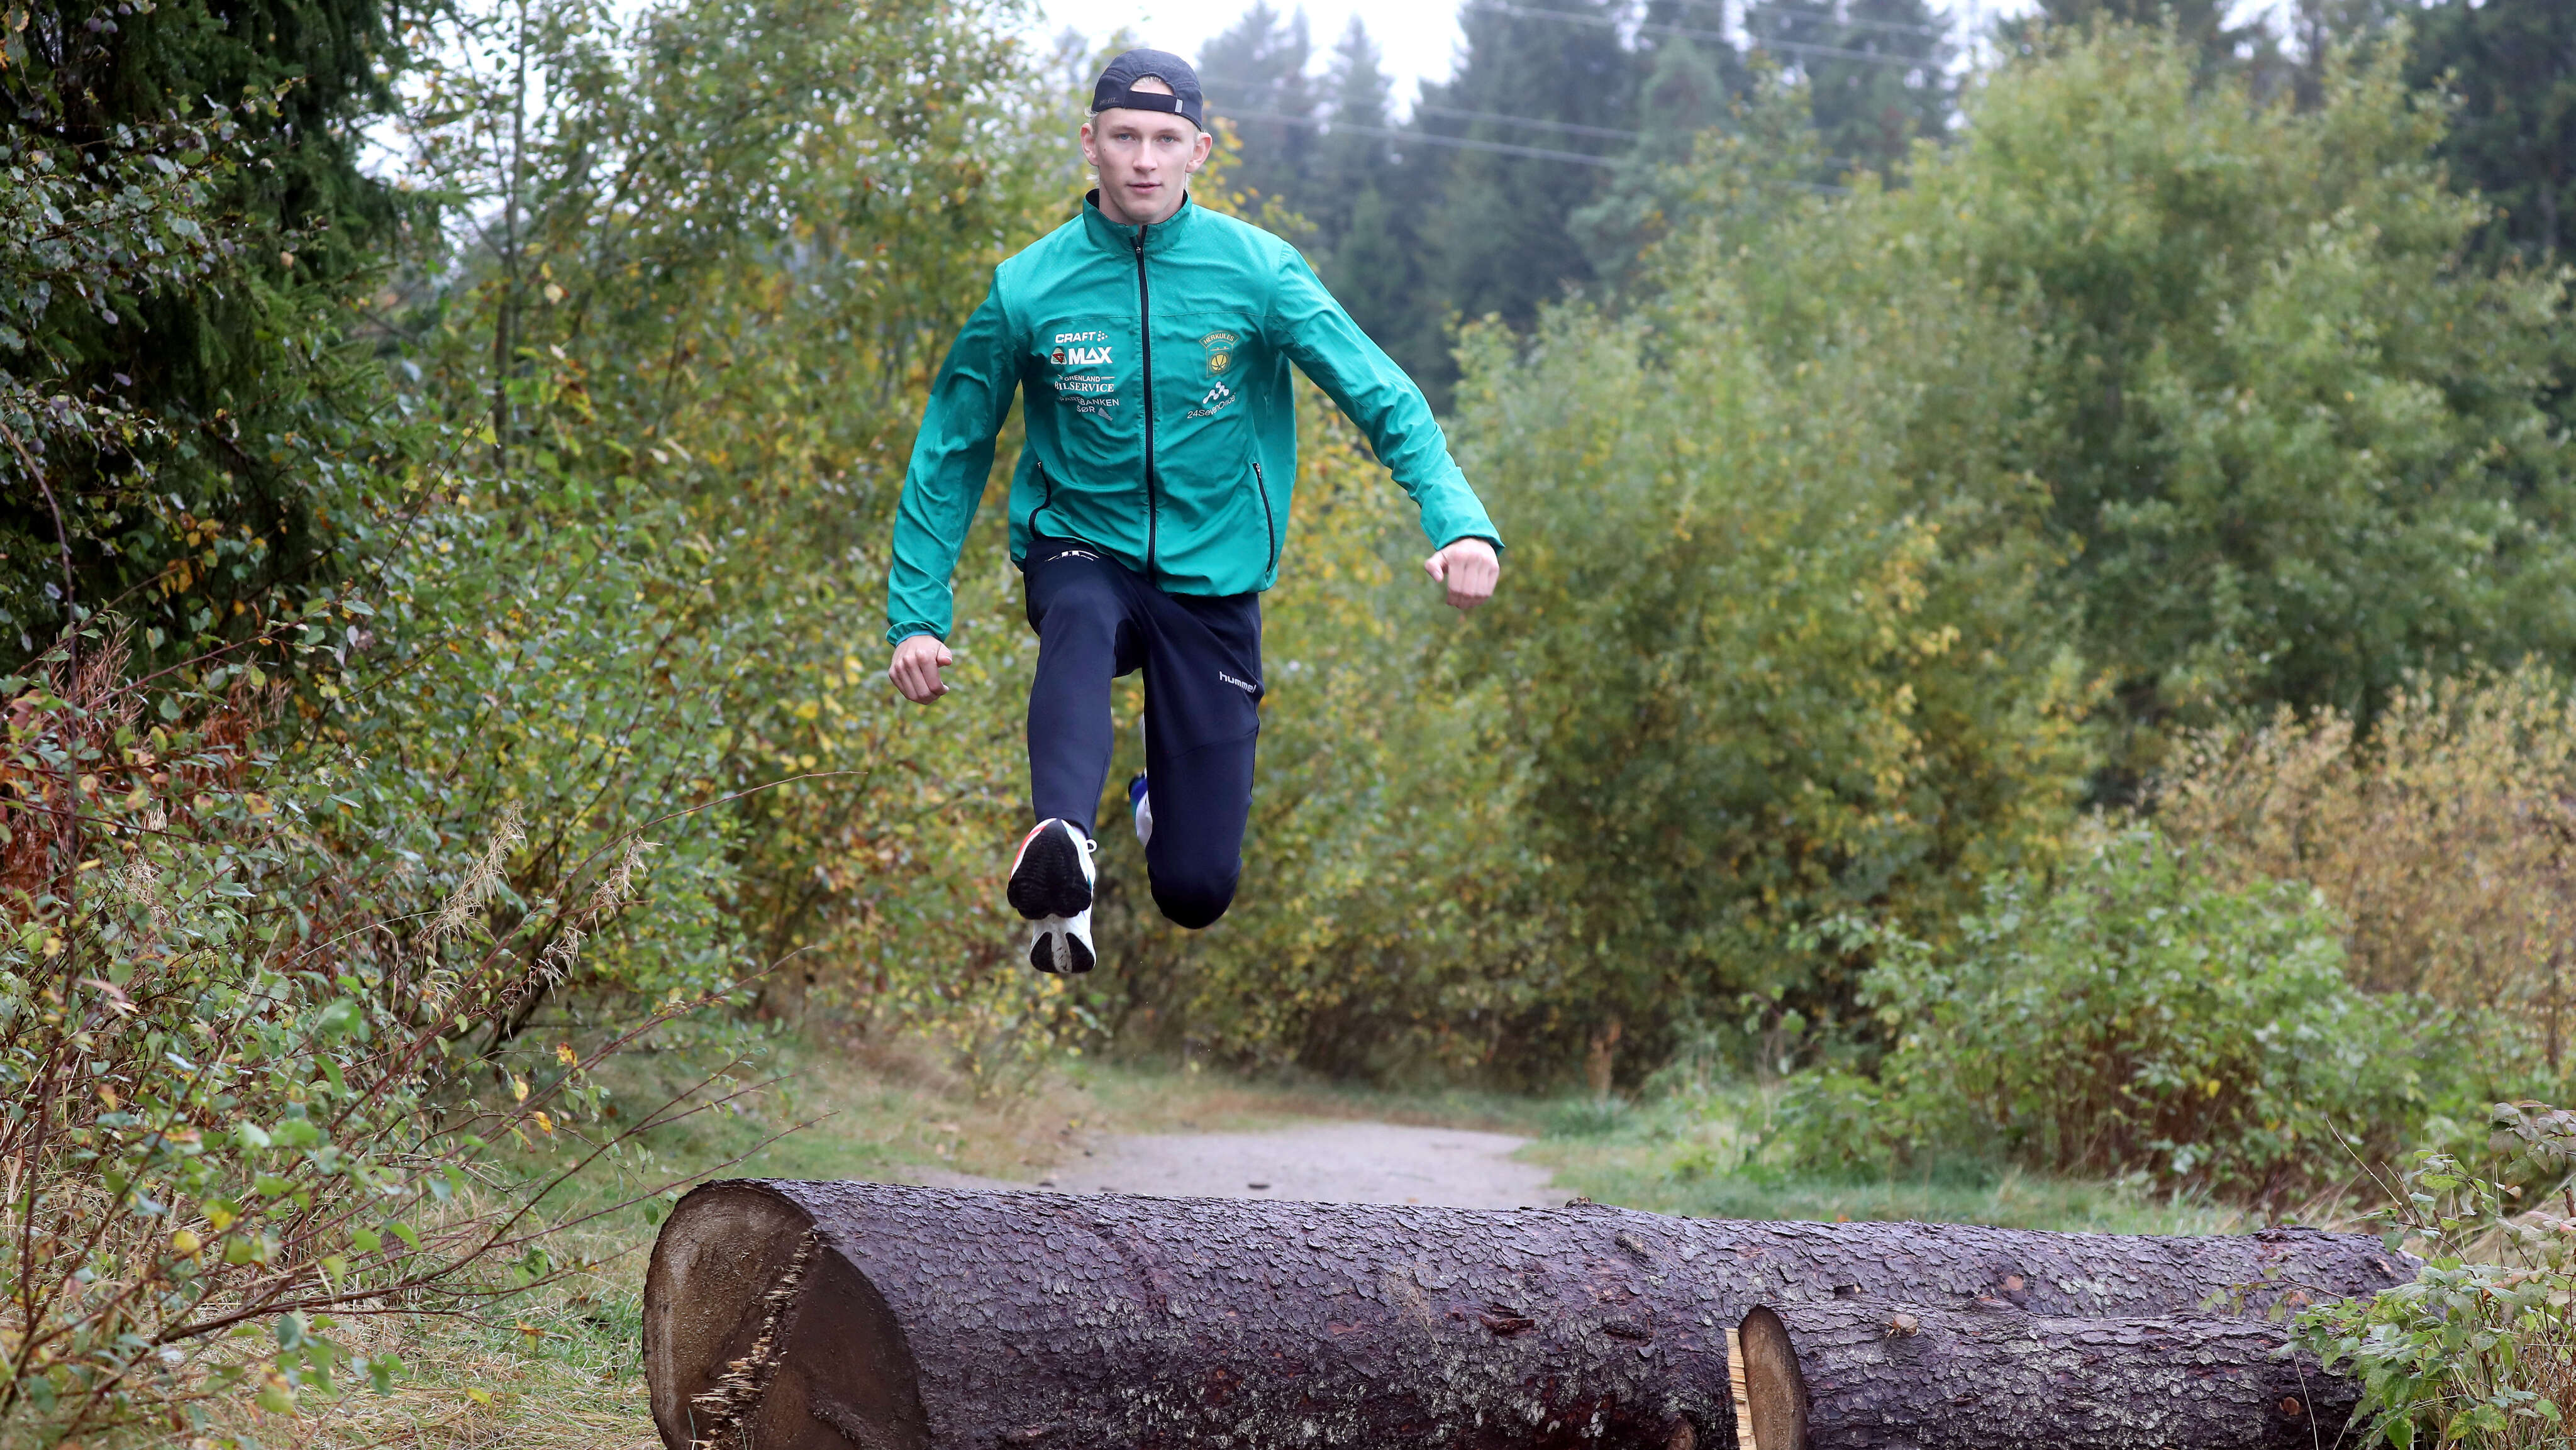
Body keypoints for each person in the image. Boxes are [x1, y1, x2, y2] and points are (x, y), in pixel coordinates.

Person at [884, 48, 1502, 976]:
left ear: (1199, 150)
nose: (1144, 159)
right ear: (1090, 142)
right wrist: (918, 615)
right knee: (1080, 608)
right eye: (1124, 137)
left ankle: (1154, 802)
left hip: (1213, 573)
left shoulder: (1258, 272)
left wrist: (1459, 521)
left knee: (1197, 888)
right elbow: (952, 445)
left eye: (1166, 139)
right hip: (1081, 542)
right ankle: (1062, 843)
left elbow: (1383, 397)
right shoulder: (1029, 287)